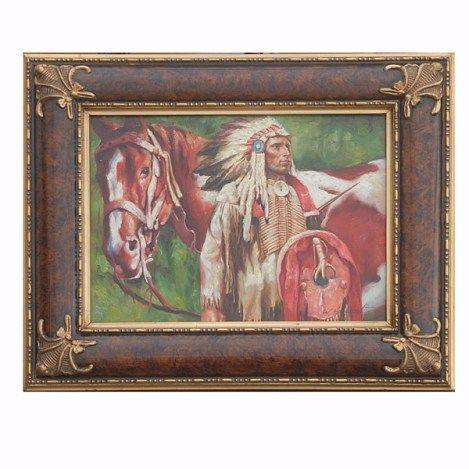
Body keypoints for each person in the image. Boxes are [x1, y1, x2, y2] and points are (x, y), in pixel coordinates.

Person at [194, 117, 362, 322]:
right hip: (253, 300)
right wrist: (211, 305)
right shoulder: (236, 194)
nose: (286, 153)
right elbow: (213, 252)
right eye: (276, 146)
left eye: (287, 146)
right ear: (258, 152)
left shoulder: (302, 193)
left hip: (298, 296)